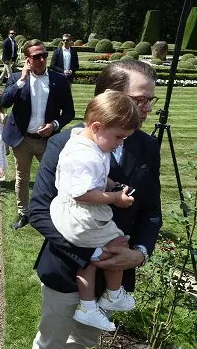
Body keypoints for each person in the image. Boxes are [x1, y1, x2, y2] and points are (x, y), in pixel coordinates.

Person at [29, 60, 162, 348]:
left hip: (113, 277)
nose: (148, 108)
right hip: (66, 268)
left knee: (84, 342)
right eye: (140, 99)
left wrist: (139, 254)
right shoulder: (65, 143)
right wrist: (90, 253)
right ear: (110, 96)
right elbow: (38, 211)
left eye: (150, 100)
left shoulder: (147, 146)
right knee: (52, 341)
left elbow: (151, 209)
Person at [50, 91, 140, 332]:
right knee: (118, 245)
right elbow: (81, 193)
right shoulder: (86, 155)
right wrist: (114, 198)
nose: (120, 143)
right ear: (98, 127)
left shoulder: (85, 141)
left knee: (92, 257)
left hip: (73, 214)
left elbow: (92, 178)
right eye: (119, 137)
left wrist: (109, 183)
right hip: (82, 215)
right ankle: (112, 295)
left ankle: (88, 306)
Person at [1, 39, 75, 229]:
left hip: (47, 141)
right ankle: (23, 213)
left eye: (44, 55)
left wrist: (55, 125)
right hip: (22, 139)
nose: (42, 59)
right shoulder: (17, 78)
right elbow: (4, 102)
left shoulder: (58, 80)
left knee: (54, 177)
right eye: (36, 56)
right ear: (28, 60)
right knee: (22, 178)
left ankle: (52, 212)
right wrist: (21, 80)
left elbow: (69, 112)